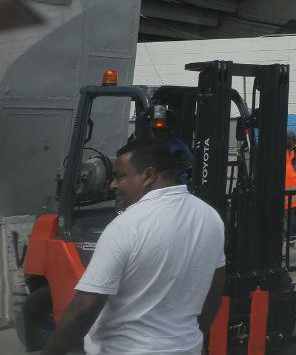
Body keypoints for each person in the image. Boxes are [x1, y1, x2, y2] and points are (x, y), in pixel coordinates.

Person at [39, 138, 225, 355]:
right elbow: (214, 291)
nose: (112, 185)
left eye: (120, 176)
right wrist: (193, 337)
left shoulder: (126, 226)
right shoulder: (210, 217)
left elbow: (85, 307)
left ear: (149, 176)